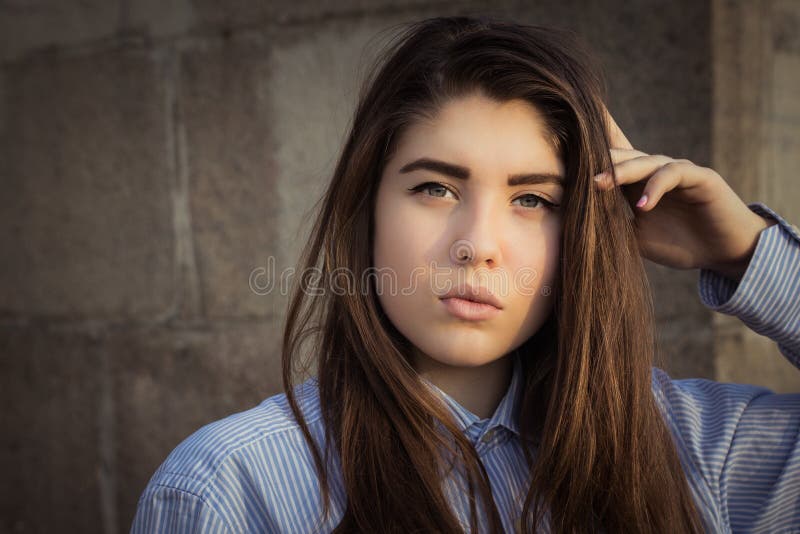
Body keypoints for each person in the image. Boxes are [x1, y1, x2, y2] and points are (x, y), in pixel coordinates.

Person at [130, 16, 800, 533]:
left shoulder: (696, 447)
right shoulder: (228, 487)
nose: (478, 246)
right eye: (435, 189)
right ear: (367, 208)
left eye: (533, 200)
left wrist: (744, 253)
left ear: (582, 235)